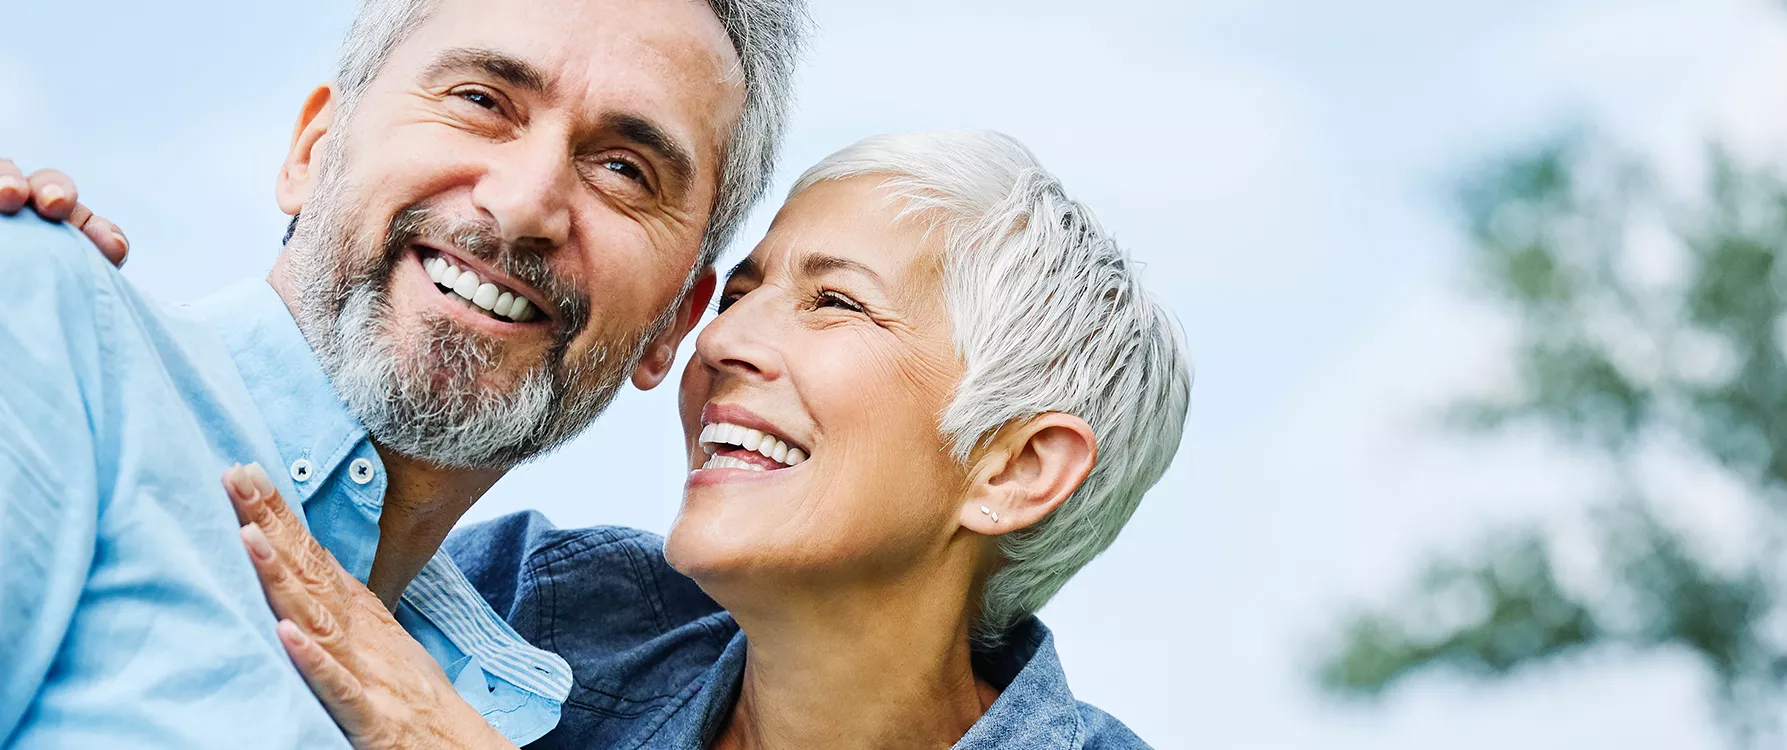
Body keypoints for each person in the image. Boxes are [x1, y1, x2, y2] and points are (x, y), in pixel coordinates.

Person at [0, 0, 807, 745]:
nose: (526, 205)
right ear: (313, 152)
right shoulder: (46, 315)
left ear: (672, 326)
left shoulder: (511, 702)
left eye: (625, 169)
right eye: (482, 101)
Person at [227, 130, 1190, 749]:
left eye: (836, 303)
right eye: (740, 292)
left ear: (1016, 469)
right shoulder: (538, 603)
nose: (721, 341)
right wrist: (81, 294)